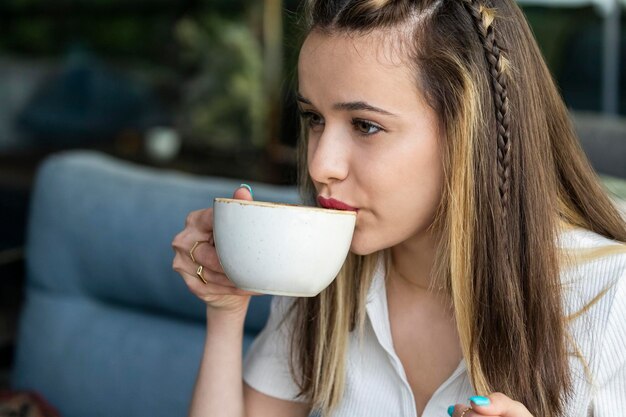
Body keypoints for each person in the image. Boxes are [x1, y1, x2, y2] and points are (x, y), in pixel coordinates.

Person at [171, 0, 626, 416]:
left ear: (470, 134)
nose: (319, 165)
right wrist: (226, 311)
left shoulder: (609, 297)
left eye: (365, 125)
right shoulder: (320, 271)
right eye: (314, 118)